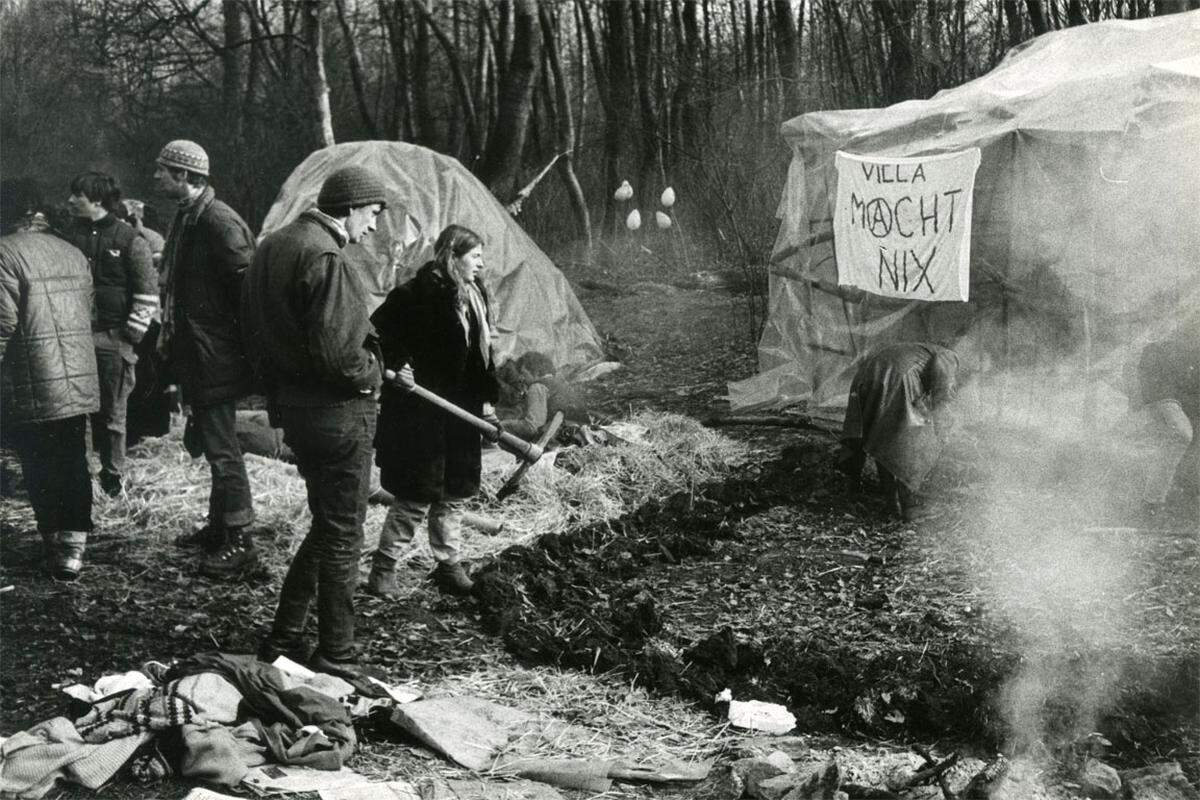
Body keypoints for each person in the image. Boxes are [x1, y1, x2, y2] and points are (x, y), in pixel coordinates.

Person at [242, 164, 393, 677]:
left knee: (328, 526)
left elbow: (259, 337)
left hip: (297, 412)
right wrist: (376, 372)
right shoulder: (326, 256)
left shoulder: (275, 246)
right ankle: (337, 653)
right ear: (349, 208)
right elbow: (339, 356)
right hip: (339, 415)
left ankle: (283, 636)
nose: (372, 226)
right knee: (345, 533)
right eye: (372, 214)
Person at [369, 224, 499, 599]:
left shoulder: (474, 295)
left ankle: (448, 564)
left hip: (459, 413)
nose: (481, 263)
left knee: (454, 494)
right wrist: (399, 363)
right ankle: (383, 569)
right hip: (420, 413)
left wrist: (486, 402)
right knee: (414, 496)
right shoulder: (416, 294)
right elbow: (377, 332)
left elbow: (481, 360)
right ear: (452, 257)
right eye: (475, 256)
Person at [154, 139, 258, 579]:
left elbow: (248, 296)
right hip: (199, 352)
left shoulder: (218, 223)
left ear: (187, 177)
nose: (156, 177)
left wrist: (232, 353)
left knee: (221, 448)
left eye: (164, 171)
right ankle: (219, 528)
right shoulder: (188, 217)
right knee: (213, 440)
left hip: (216, 356)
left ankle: (241, 542)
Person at [0, 182, 100, 580]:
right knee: (73, 457)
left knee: (38, 461)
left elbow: (2, 324)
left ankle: (51, 542)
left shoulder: (5, 252)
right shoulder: (74, 253)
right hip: (77, 376)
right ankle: (74, 548)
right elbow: (87, 311)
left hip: (30, 376)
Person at [62, 171, 158, 497]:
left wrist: (129, 336)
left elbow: (147, 293)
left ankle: (114, 479)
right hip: (74, 338)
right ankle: (83, 479)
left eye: (79, 195)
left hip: (114, 338)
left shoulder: (130, 239)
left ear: (98, 200)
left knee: (113, 414)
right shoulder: (68, 236)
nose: (71, 200)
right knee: (78, 413)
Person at [838, 341, 960, 523]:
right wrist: (941, 431)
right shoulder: (950, 356)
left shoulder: (920, 349)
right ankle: (910, 507)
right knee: (909, 440)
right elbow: (941, 394)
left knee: (880, 438)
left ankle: (890, 504)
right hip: (898, 378)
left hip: (865, 376)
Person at [1136, 332, 1200, 520]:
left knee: (1185, 435)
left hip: (1183, 402)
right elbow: (1151, 383)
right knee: (1181, 434)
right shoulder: (1158, 347)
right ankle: (1151, 503)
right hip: (1163, 398)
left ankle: (1186, 493)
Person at [498, 351, 588, 441]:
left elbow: (532, 427)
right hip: (582, 435)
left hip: (560, 441)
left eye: (524, 374)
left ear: (536, 372)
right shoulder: (560, 383)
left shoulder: (537, 387)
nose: (521, 378)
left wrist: (503, 424)